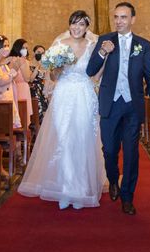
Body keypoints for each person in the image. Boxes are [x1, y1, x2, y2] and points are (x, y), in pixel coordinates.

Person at [86, 2, 150, 215]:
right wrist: (102, 53)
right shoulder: (104, 41)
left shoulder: (143, 44)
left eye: (123, 17)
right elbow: (90, 70)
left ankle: (127, 197)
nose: (119, 21)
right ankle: (113, 179)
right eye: (116, 17)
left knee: (132, 153)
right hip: (110, 104)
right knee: (110, 150)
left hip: (133, 105)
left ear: (132, 19)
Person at [18, 11, 108, 209]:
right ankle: (67, 188)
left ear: (87, 27)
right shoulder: (60, 44)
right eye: (74, 24)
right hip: (64, 94)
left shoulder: (92, 46)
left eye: (81, 24)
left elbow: (97, 73)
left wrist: (105, 59)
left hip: (85, 93)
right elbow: (53, 76)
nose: (77, 27)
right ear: (69, 25)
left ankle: (82, 187)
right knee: (65, 139)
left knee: (83, 138)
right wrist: (58, 65)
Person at [9, 38, 34, 127]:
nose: (25, 50)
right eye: (23, 47)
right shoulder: (24, 61)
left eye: (26, 48)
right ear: (17, 48)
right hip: (22, 88)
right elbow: (27, 78)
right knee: (24, 113)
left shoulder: (10, 59)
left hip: (13, 87)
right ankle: (23, 134)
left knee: (17, 111)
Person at [29, 45, 49, 122]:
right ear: (34, 52)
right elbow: (30, 79)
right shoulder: (28, 64)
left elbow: (47, 79)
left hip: (41, 89)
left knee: (44, 113)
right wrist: (38, 66)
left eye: (43, 53)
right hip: (33, 89)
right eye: (38, 52)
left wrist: (46, 92)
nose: (40, 54)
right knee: (37, 113)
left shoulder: (45, 66)